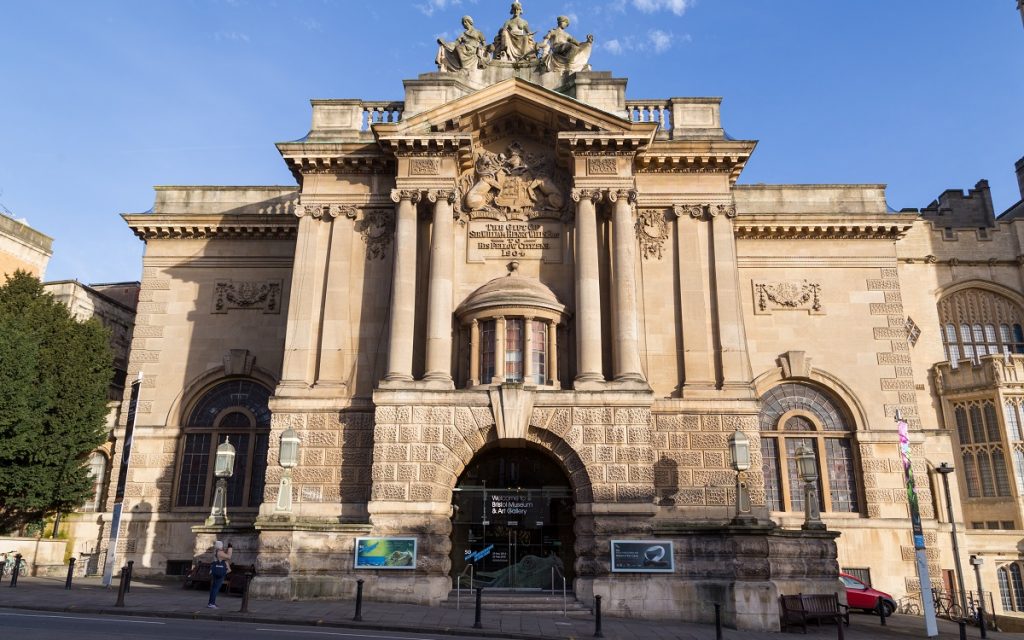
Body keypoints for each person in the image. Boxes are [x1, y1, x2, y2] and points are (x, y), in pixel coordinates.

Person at [207, 540, 232, 609]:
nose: (223, 546)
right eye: (222, 545)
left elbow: (224, 557)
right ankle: (211, 603)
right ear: (220, 546)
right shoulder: (220, 552)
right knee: (216, 588)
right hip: (220, 572)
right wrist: (230, 548)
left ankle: (211, 602)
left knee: (214, 588)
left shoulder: (216, 552)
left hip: (216, 571)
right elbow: (229, 557)